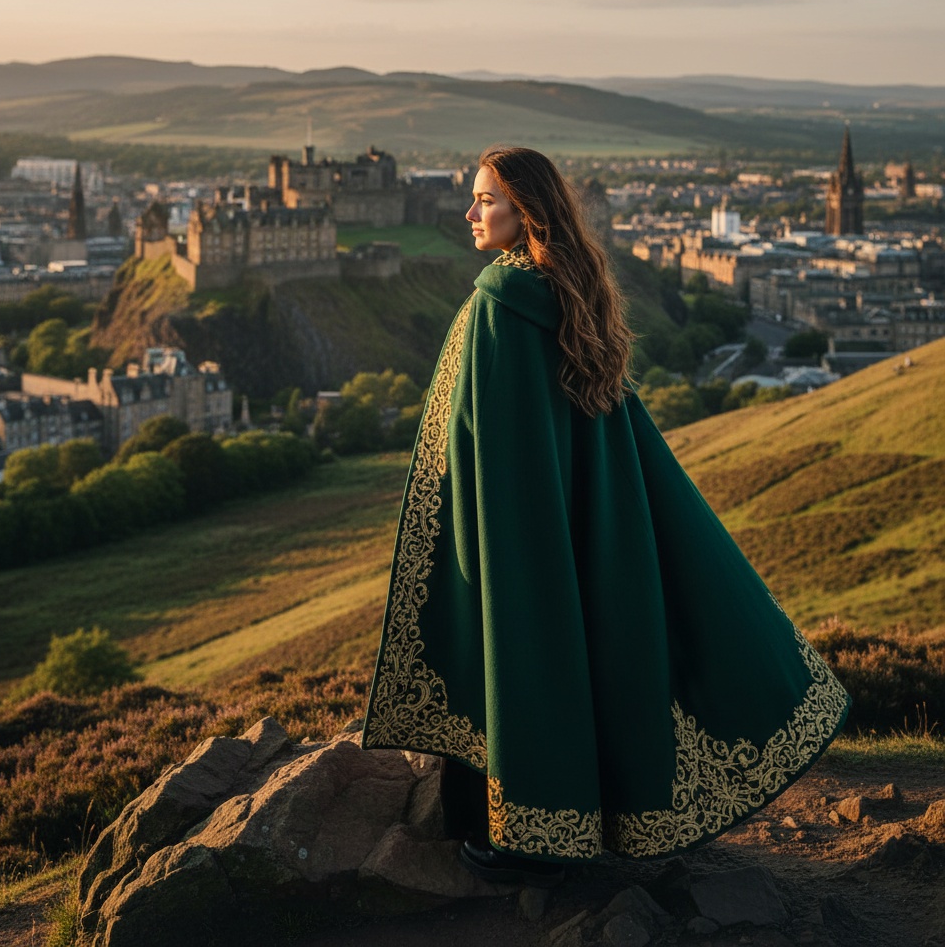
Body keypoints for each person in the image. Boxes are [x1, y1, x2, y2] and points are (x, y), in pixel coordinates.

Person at [360, 146, 849, 887]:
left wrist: (501, 537)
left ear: (526, 211)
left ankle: (528, 833)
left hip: (519, 528)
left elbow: (492, 442)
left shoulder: (500, 300)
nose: (469, 213)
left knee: (527, 651)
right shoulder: (568, 288)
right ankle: (585, 819)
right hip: (583, 524)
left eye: (486, 199)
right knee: (580, 651)